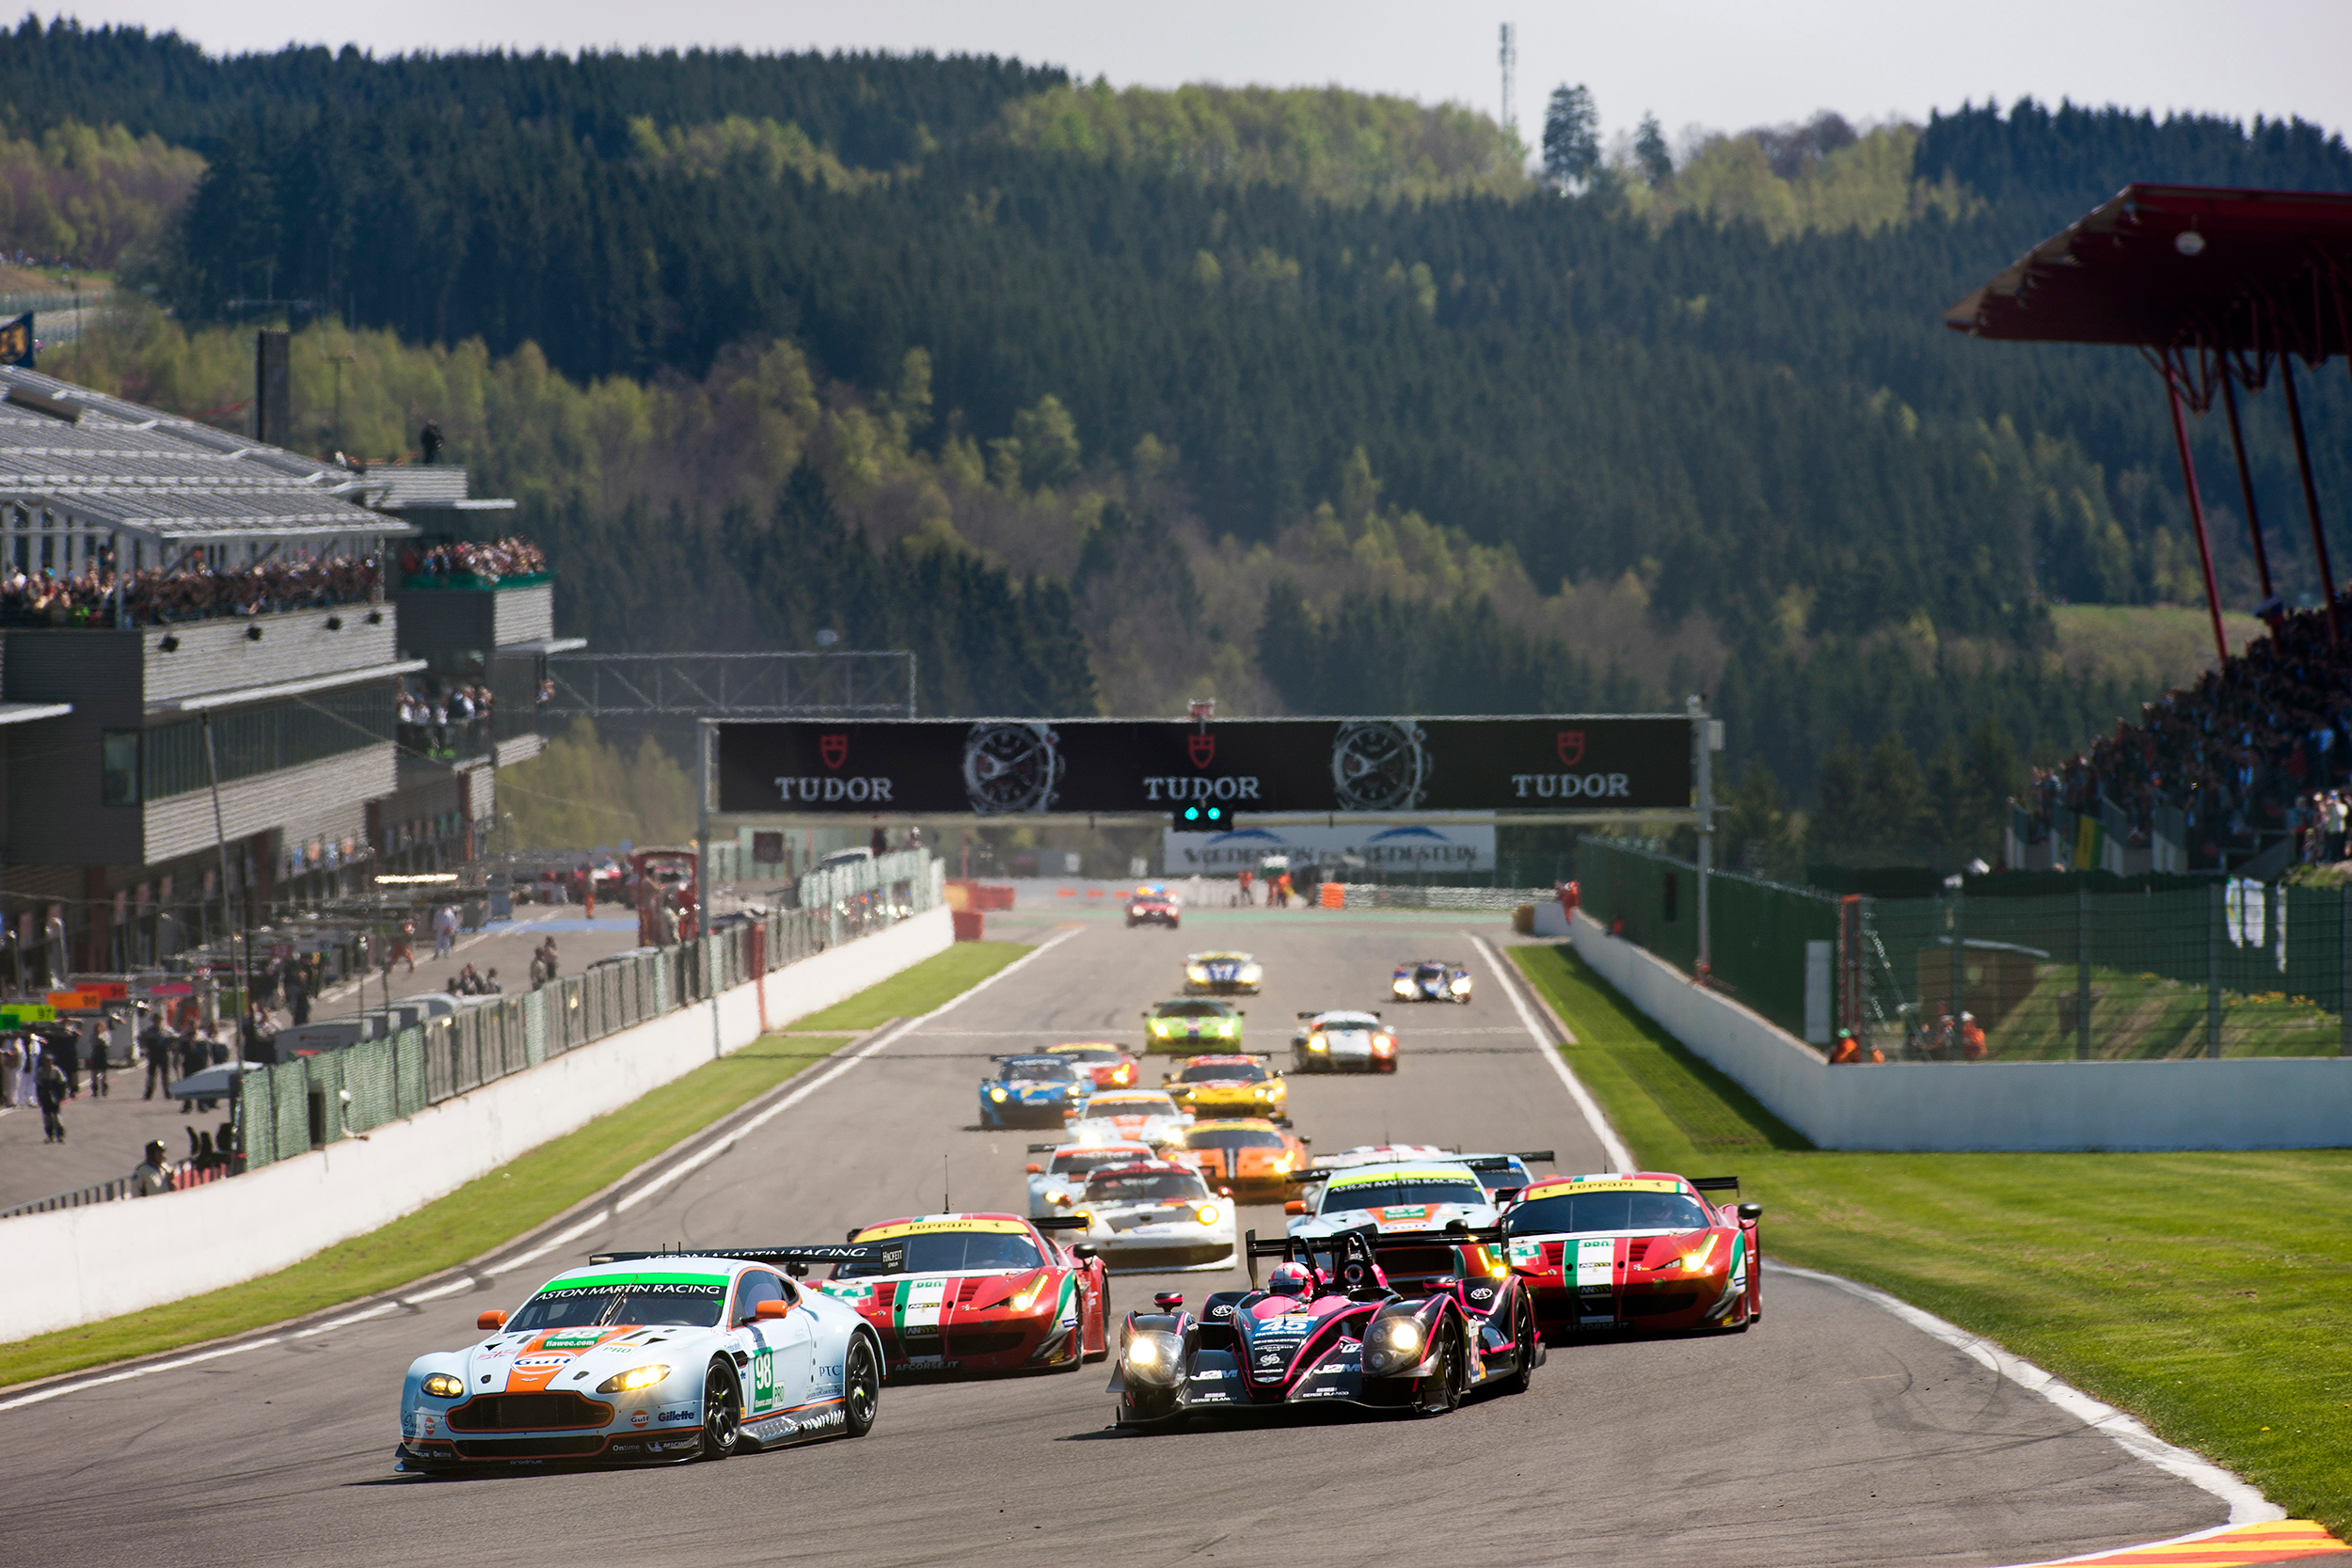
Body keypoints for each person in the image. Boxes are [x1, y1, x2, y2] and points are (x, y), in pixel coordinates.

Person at [35, 1051, 67, 1142]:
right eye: (46, 1061)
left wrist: (61, 1096)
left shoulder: (56, 1071)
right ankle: (50, 1135)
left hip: (55, 1094)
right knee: (47, 1116)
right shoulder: (40, 1071)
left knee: (56, 1116)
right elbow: (38, 1086)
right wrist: (39, 1098)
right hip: (45, 1095)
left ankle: (60, 1135)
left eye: (50, 1061)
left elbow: (62, 1084)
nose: (48, 1063)